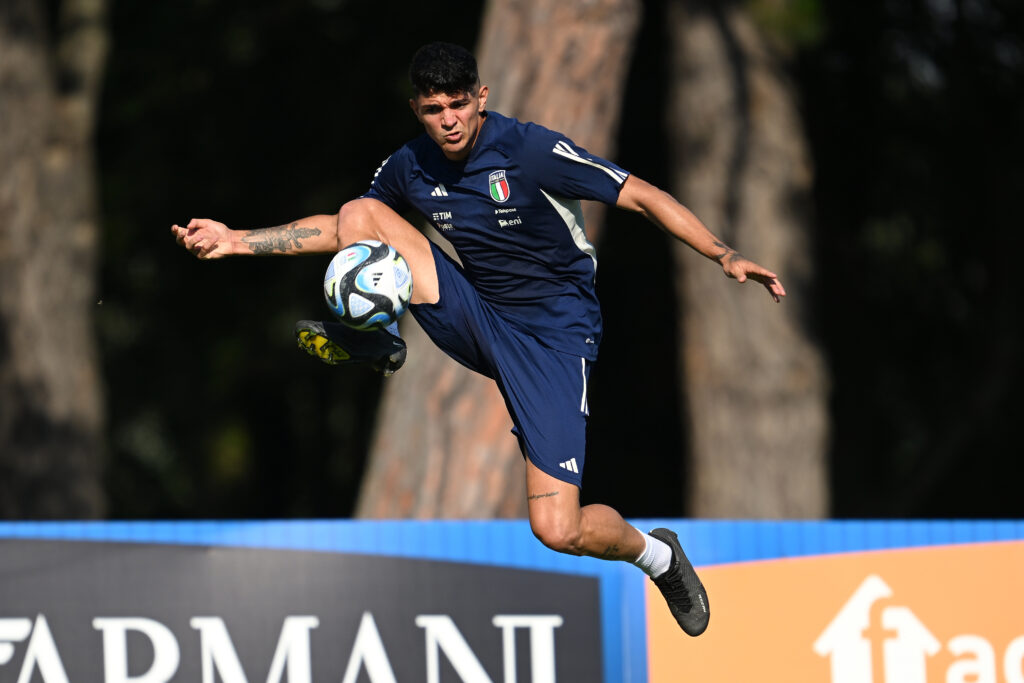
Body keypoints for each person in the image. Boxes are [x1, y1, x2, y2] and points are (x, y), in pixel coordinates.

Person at [172, 41, 786, 637]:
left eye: (459, 105)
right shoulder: (412, 164)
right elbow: (341, 229)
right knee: (361, 213)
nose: (448, 121)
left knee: (557, 529)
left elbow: (640, 195)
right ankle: (375, 338)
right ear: (418, 110)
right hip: (477, 312)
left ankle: (658, 557)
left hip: (553, 343)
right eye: (434, 110)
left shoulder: (529, 150)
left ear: (481, 98)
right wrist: (236, 239)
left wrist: (723, 253)